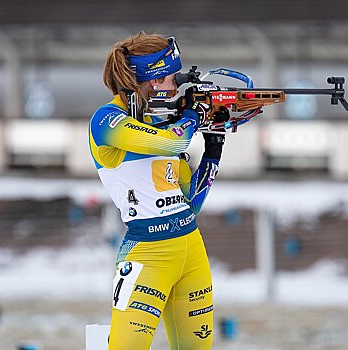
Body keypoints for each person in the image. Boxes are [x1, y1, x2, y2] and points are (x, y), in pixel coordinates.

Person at [89, 31, 225, 350]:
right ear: (152, 81)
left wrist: (214, 148)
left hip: (191, 248)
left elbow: (190, 204)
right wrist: (194, 115)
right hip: (148, 254)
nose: (177, 86)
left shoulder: (158, 121)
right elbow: (173, 141)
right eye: (172, 78)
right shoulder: (107, 120)